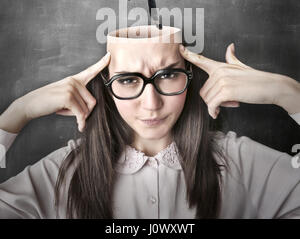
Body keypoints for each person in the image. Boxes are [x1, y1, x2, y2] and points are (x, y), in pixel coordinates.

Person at [0, 25, 299, 219]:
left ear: (189, 77)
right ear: (106, 86)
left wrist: (289, 94)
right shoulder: (63, 172)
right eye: (128, 80)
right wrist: (16, 114)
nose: (152, 103)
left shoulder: (238, 161)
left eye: (168, 75)